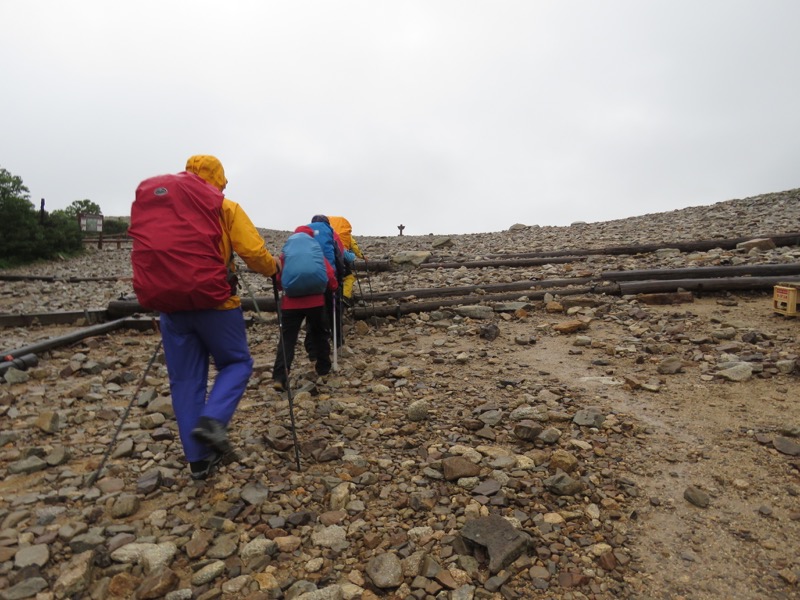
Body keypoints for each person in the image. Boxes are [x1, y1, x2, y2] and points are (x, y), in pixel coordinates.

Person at [160, 155, 280, 481]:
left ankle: (198, 462)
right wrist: (274, 269)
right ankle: (213, 420)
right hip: (217, 304)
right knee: (237, 363)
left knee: (185, 381)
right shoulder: (224, 207)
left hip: (171, 307)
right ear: (219, 179)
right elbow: (253, 253)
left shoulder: (164, 211)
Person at [272, 225, 339, 390]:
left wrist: (282, 287)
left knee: (287, 339)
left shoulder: (287, 251)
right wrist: (334, 287)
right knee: (319, 332)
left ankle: (280, 377)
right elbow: (329, 274)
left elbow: (280, 278)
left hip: (291, 303)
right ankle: (323, 368)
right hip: (315, 301)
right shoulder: (315, 250)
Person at [328, 216, 364, 305]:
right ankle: (345, 297)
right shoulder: (345, 235)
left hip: (325, 261)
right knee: (349, 278)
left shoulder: (326, 233)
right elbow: (354, 247)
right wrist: (362, 256)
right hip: (341, 261)